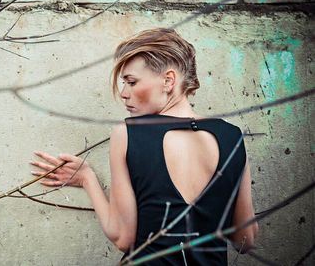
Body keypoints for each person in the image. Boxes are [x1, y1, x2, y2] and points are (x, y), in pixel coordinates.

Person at [30, 28, 258, 265]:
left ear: (168, 80)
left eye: (131, 82)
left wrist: (87, 177)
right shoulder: (232, 137)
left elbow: (123, 237)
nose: (124, 93)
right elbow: (245, 239)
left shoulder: (129, 134)